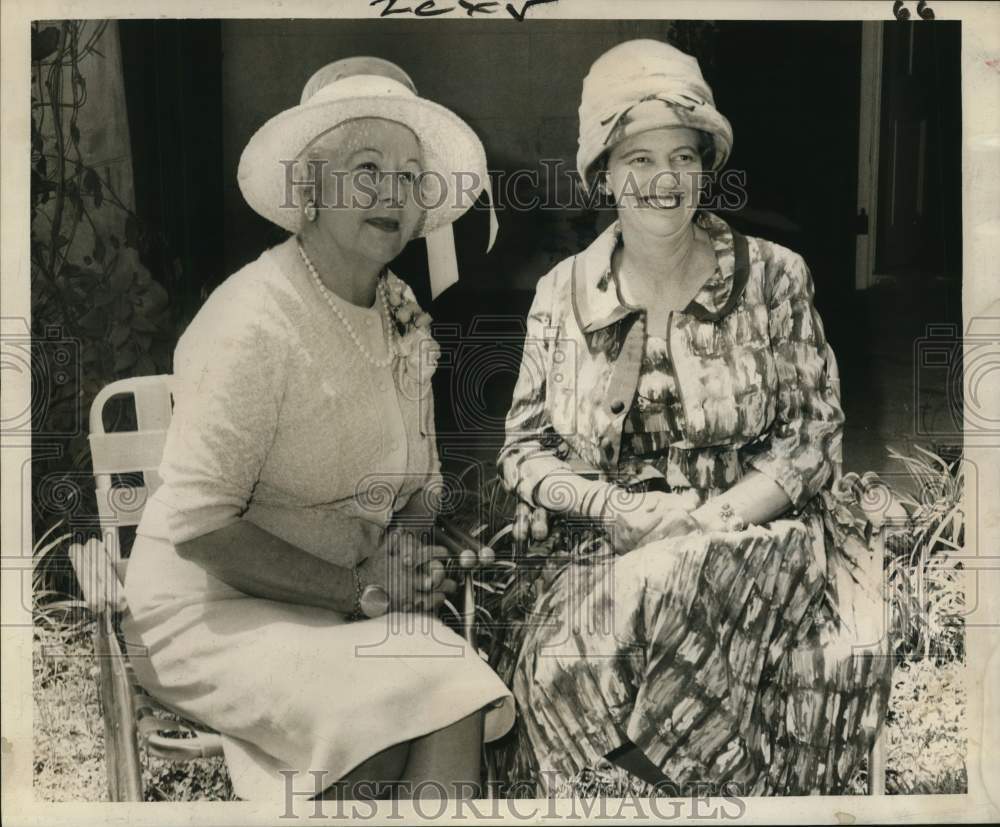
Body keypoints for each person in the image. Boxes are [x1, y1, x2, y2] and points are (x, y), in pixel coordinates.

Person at [498, 39, 890, 795]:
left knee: (680, 574)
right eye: (637, 159)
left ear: (706, 166)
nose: (664, 179)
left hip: (757, 540)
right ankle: (702, 785)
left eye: (682, 155)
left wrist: (715, 518)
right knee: (616, 617)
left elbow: (814, 436)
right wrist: (614, 506)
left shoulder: (775, 276)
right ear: (603, 174)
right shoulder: (561, 292)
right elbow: (524, 452)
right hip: (601, 549)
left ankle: (657, 788)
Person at [122, 57, 514, 803]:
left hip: (329, 607)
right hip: (206, 613)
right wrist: (361, 588)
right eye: (367, 168)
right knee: (406, 705)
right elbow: (200, 528)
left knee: (443, 685)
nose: (391, 194)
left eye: (408, 177)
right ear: (309, 189)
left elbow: (417, 490)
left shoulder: (399, 314)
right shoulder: (254, 319)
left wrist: (412, 556)